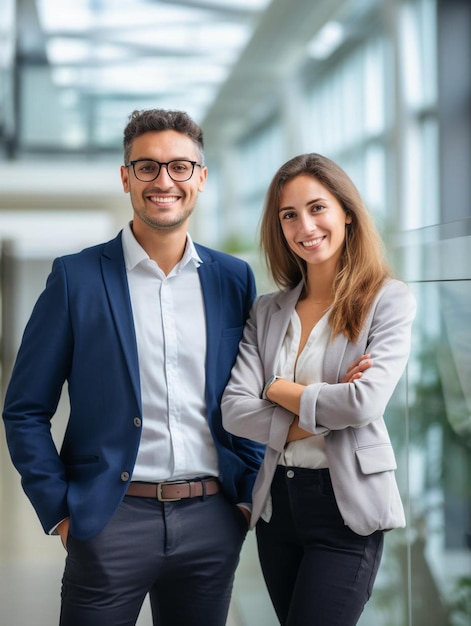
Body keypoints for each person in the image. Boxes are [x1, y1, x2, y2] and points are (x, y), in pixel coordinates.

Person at [2, 108, 265, 626]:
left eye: (180, 167)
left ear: (201, 178)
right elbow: (25, 409)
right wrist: (60, 510)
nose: (164, 180)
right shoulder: (76, 278)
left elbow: (249, 391)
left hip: (213, 519)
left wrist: (245, 492)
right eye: (147, 167)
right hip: (109, 519)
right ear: (126, 178)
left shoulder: (233, 279)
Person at [222, 153, 416, 626]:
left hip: (347, 509)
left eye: (317, 208)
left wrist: (278, 389)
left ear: (346, 210)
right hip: (277, 511)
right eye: (289, 215)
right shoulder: (268, 311)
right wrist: (325, 405)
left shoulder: (387, 300)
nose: (304, 226)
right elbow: (233, 411)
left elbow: (365, 402)